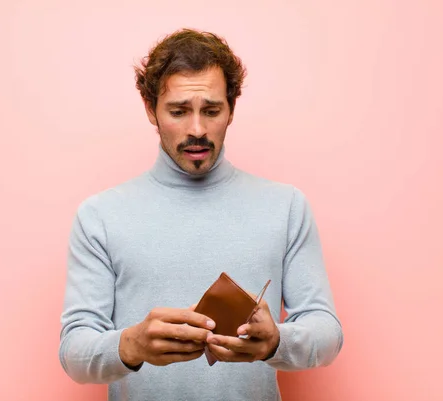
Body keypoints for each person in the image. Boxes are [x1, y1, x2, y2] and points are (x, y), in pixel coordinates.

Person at [59, 28, 343, 401]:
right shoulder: (100, 215)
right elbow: (73, 350)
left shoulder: (286, 206)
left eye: (211, 111)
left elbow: (327, 333)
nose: (197, 130)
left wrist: (277, 340)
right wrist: (131, 345)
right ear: (151, 111)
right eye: (178, 111)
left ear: (231, 110)